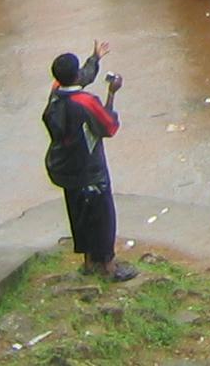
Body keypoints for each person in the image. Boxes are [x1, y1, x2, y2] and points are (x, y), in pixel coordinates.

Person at [42, 43, 134, 281]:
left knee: (78, 212)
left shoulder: (55, 95)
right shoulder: (86, 102)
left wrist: (95, 59)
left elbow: (79, 79)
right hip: (89, 168)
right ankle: (108, 266)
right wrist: (112, 93)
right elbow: (108, 126)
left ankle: (88, 261)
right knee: (102, 215)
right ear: (75, 76)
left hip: (64, 166)